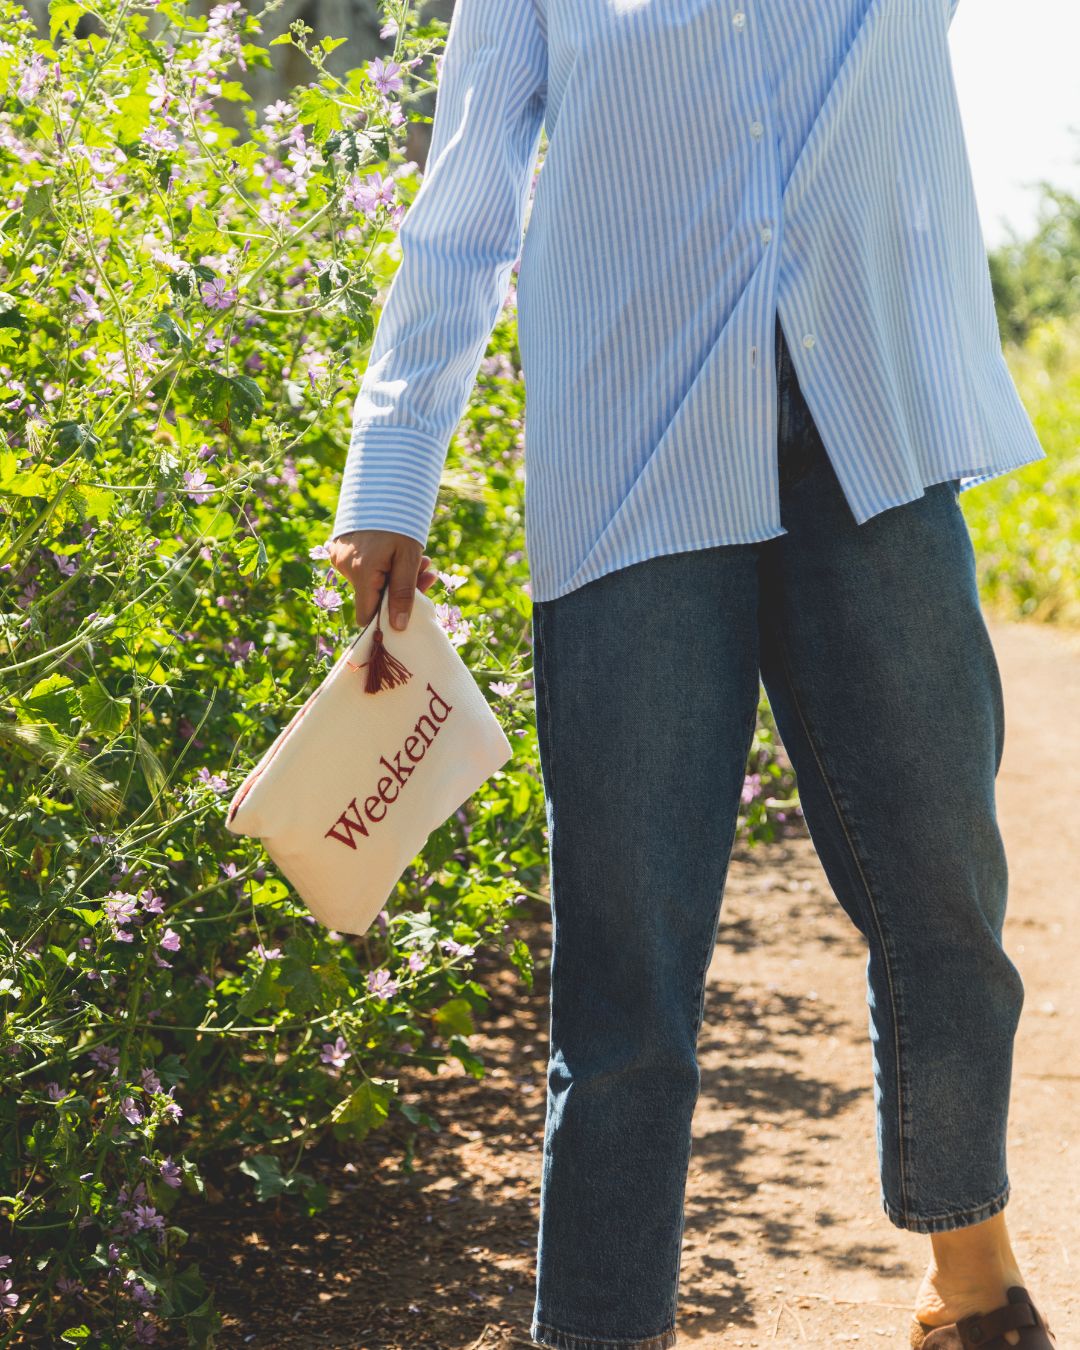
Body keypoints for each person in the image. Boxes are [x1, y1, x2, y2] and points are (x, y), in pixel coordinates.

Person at [328, 2, 1057, 1347]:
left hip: (871, 438)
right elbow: (467, 197)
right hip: (633, 460)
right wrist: (395, 468)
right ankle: (603, 1329)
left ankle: (973, 1279)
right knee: (627, 970)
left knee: (947, 891)